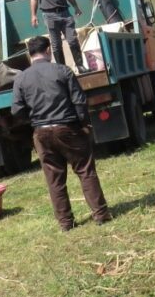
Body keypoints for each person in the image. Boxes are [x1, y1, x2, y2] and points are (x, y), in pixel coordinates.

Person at [11, 36, 110, 231]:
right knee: (85, 170)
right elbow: (79, 101)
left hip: (41, 132)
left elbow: (16, 111)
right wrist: (84, 124)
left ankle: (66, 223)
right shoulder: (63, 71)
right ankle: (100, 214)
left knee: (54, 179)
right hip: (68, 127)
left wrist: (33, 122)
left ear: (30, 54)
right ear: (48, 50)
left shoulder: (21, 78)